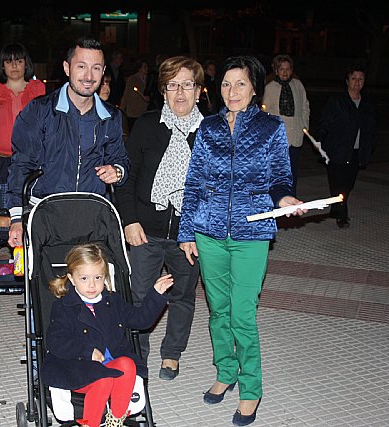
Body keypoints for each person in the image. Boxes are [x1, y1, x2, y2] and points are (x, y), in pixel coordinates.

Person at [177, 56, 305, 426]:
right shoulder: (209, 128)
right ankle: (225, 371)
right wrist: (187, 232)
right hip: (209, 230)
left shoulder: (270, 128)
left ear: (254, 88)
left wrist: (283, 198)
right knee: (218, 311)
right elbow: (195, 183)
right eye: (226, 84)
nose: (232, 92)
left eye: (240, 84)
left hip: (252, 232)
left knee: (242, 314)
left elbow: (281, 175)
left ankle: (251, 388)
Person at [114, 56, 205, 381]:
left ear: (198, 90)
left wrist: (195, 230)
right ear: (163, 90)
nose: (180, 92)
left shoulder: (209, 133)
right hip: (146, 233)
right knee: (139, 296)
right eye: (172, 85)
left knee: (182, 296)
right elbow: (127, 177)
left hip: (188, 236)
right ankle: (137, 359)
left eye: (187, 85)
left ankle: (172, 354)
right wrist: (130, 220)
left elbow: (212, 190)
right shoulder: (148, 125)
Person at [6, 36, 129, 247]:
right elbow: (21, 165)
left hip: (93, 216)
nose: (89, 76)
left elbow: (120, 160)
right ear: (67, 68)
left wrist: (117, 171)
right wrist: (17, 219)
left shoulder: (111, 117)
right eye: (81, 66)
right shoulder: (39, 111)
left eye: (96, 68)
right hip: (46, 213)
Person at [42, 243, 173, 427]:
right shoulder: (64, 308)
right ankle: (90, 424)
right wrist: (87, 351)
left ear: (105, 277)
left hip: (111, 363)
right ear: (72, 279)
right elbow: (55, 342)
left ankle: (115, 421)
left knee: (128, 364)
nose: (92, 284)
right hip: (78, 367)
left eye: (98, 277)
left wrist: (156, 295)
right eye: (84, 278)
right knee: (102, 379)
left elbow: (141, 320)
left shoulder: (113, 301)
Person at [0, 43, 45, 216]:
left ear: (25, 64)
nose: (14, 66)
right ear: (2, 65)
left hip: (32, 160)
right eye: (9, 61)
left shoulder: (39, 90)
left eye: (19, 61)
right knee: (1, 210)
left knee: (30, 207)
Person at [318, 65, 375, 228]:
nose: (357, 82)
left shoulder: (367, 103)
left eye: (361, 79)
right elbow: (325, 122)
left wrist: (370, 146)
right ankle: (342, 215)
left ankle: (336, 207)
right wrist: (321, 143)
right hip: (337, 150)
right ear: (347, 81)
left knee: (348, 184)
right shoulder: (337, 101)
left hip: (357, 151)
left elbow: (371, 128)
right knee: (338, 183)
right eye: (354, 78)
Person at [262, 54, 310, 196]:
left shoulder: (298, 85)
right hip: (279, 138)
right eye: (281, 69)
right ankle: (277, 198)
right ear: (276, 71)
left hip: (295, 136)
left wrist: (304, 124)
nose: (285, 72)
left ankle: (291, 196)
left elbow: (304, 106)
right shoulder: (270, 88)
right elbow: (266, 112)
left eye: (288, 69)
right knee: (278, 171)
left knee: (292, 170)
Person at [119, 60, 150, 130]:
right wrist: (121, 109)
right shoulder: (132, 79)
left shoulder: (149, 79)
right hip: (133, 111)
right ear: (140, 69)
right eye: (144, 67)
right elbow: (126, 94)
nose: (147, 69)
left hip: (144, 111)